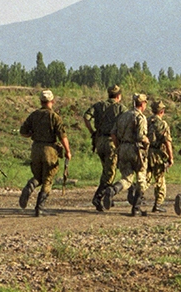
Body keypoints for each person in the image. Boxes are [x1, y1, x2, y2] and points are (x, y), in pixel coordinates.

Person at [19, 89, 72, 217]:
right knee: (48, 179)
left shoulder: (34, 115)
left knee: (37, 176)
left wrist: (32, 134)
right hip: (49, 150)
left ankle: (29, 187)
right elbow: (62, 136)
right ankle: (39, 208)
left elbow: (23, 132)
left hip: (36, 148)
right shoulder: (54, 117)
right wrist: (68, 151)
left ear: (41, 101)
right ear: (52, 101)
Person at [104, 93, 149, 215]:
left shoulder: (123, 116)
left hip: (123, 148)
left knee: (127, 179)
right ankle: (136, 208)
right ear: (143, 104)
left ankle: (113, 190)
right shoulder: (141, 118)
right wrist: (146, 141)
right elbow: (140, 136)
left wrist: (119, 147)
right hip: (136, 150)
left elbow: (113, 133)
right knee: (141, 178)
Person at [83, 85, 124, 211]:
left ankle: (108, 199)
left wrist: (92, 132)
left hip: (99, 141)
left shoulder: (98, 105)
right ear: (119, 96)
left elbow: (86, 117)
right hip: (112, 142)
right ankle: (98, 197)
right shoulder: (121, 108)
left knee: (106, 170)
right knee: (110, 173)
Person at [145, 99, 174, 212]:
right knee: (159, 180)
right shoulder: (163, 124)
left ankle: (137, 195)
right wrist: (170, 157)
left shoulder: (146, 121)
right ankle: (158, 204)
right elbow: (167, 142)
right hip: (157, 155)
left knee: (146, 177)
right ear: (162, 111)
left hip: (146, 152)